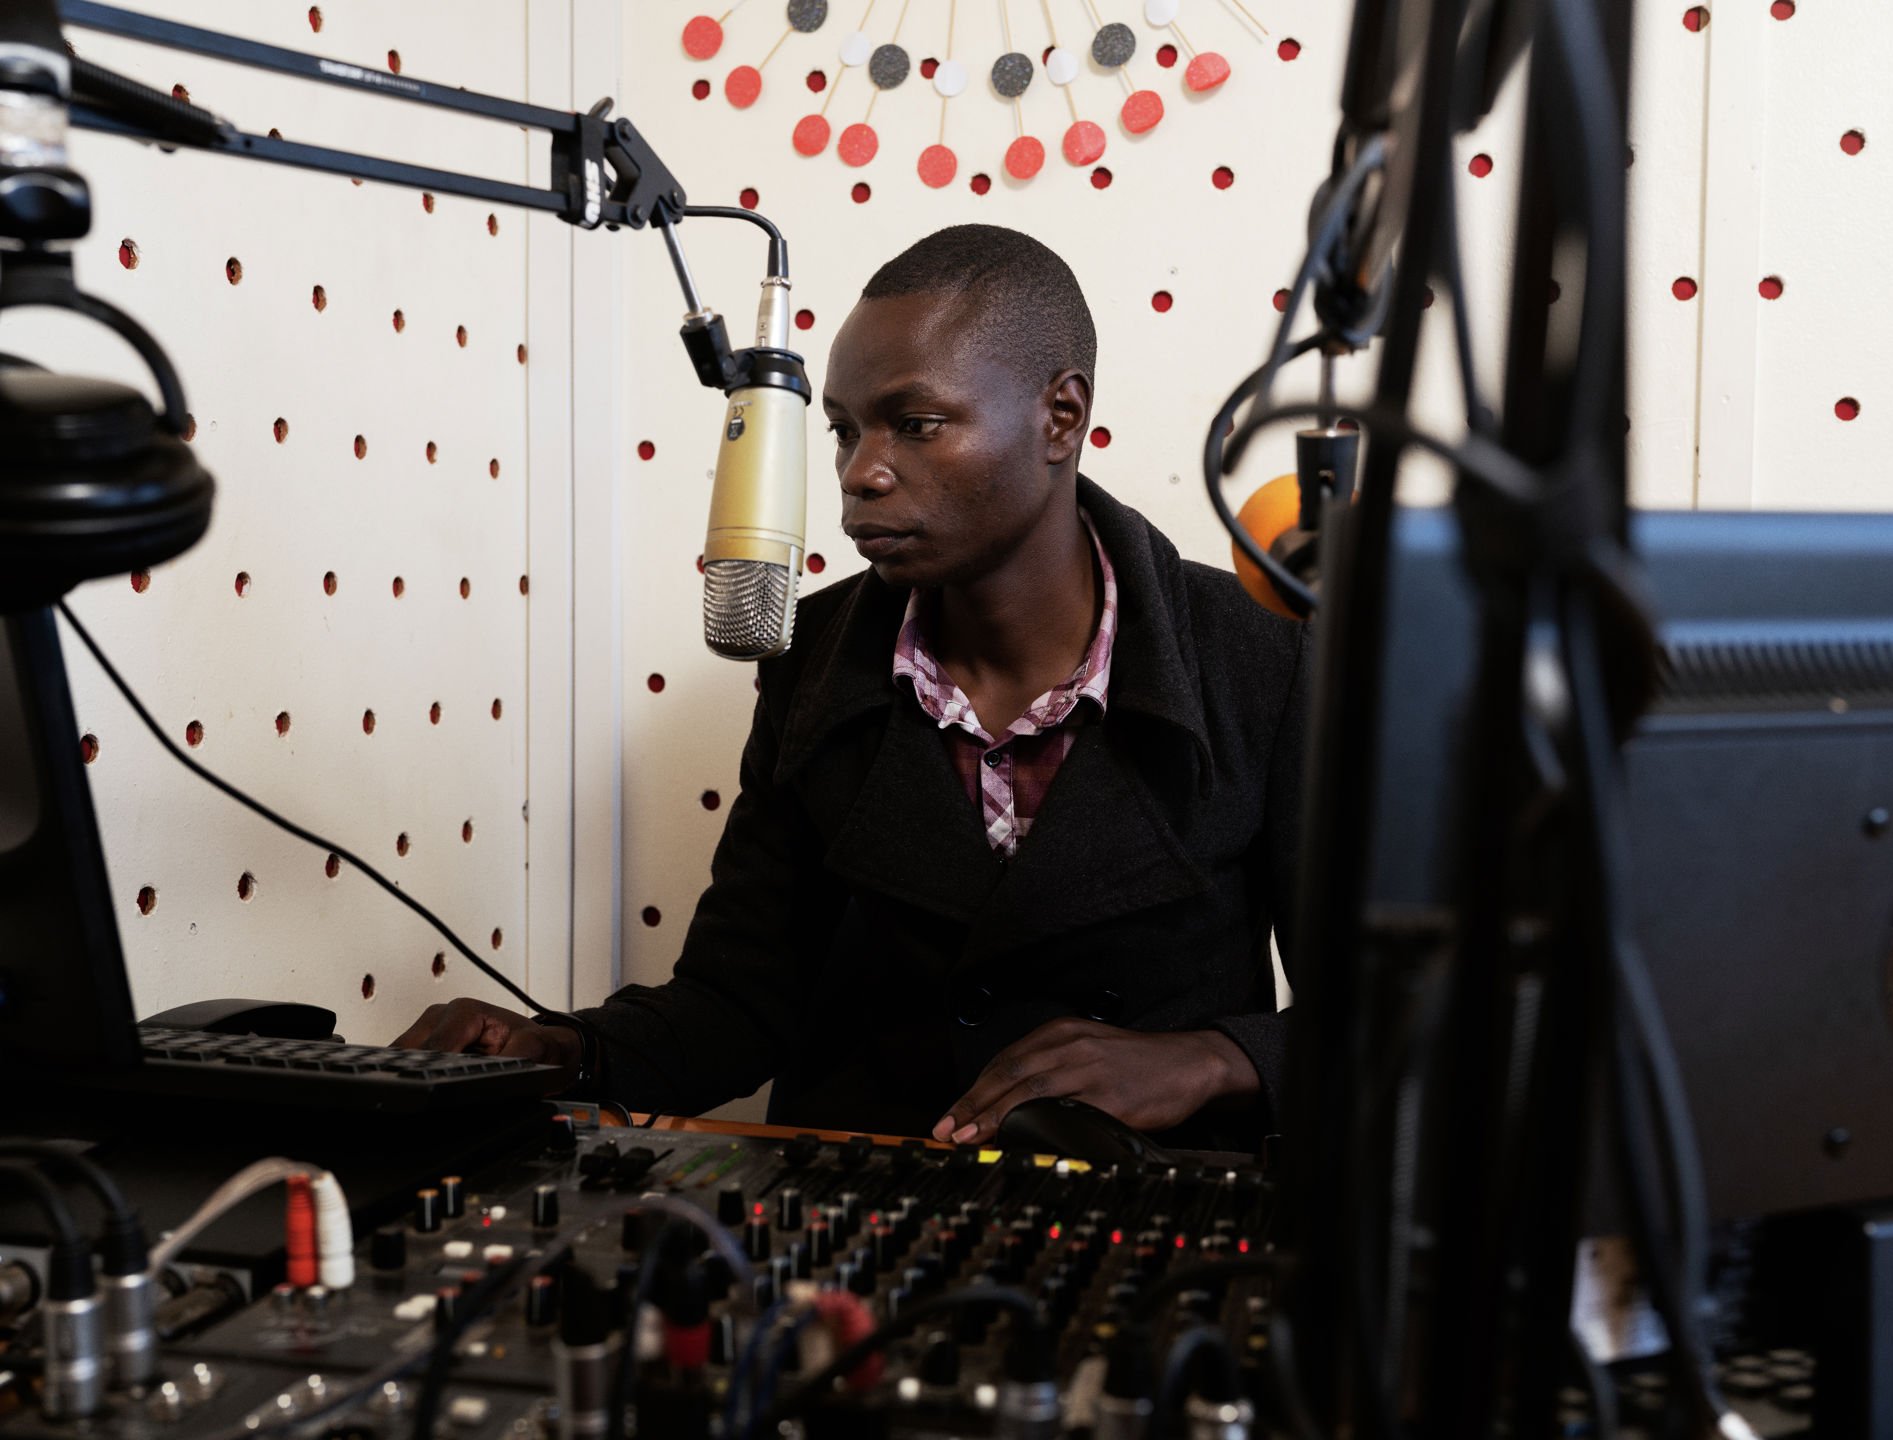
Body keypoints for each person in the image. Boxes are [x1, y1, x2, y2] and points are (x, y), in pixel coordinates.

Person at [393, 224, 1310, 1147]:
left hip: (1159, 1223)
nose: (859, 474)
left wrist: (1213, 1059)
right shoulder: (813, 657)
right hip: (864, 1218)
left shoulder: (1262, 655)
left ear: (1059, 417)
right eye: (844, 429)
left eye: (915, 425)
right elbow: (741, 1002)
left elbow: (1398, 1022)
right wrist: (559, 1052)